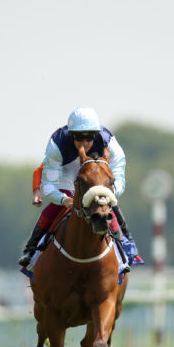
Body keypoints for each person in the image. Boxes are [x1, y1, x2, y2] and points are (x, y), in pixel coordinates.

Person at [18, 107, 129, 267]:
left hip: (95, 172)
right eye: (78, 137)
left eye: (89, 137)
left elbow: (118, 175)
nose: (84, 143)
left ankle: (123, 250)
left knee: (105, 205)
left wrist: (111, 192)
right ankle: (31, 248)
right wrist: (64, 199)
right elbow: (48, 187)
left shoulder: (108, 141)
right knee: (56, 206)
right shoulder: (57, 144)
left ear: (96, 134)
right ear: (70, 135)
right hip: (66, 171)